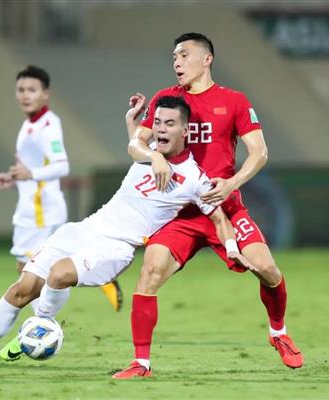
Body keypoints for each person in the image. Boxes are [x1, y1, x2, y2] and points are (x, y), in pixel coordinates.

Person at [0, 95, 254, 379]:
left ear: (186, 130)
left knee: (58, 275)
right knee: (22, 288)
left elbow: (219, 217)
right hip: (84, 230)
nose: (162, 129)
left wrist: (230, 248)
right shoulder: (149, 150)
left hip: (116, 247)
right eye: (158, 123)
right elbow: (135, 146)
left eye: (170, 124)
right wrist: (135, 126)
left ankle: (41, 325)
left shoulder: (194, 178)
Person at [113, 32, 303, 379]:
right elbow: (135, 144)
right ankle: (141, 363)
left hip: (224, 208)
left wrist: (232, 183)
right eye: (174, 57)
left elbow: (259, 152)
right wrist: (155, 155)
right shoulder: (166, 99)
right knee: (150, 271)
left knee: (268, 270)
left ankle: (279, 332)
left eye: (184, 55)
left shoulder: (233, 101)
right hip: (179, 214)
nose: (177, 62)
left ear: (207, 59)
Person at [0, 66, 123, 361]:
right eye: (21, 90)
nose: (25, 95)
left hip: (41, 211)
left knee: (32, 275)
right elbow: (34, 167)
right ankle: (89, 275)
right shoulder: (31, 124)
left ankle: (40, 328)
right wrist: (14, 177)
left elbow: (62, 165)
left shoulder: (48, 125)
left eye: (32, 90)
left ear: (45, 94)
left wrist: (30, 174)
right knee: (29, 273)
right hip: (34, 207)